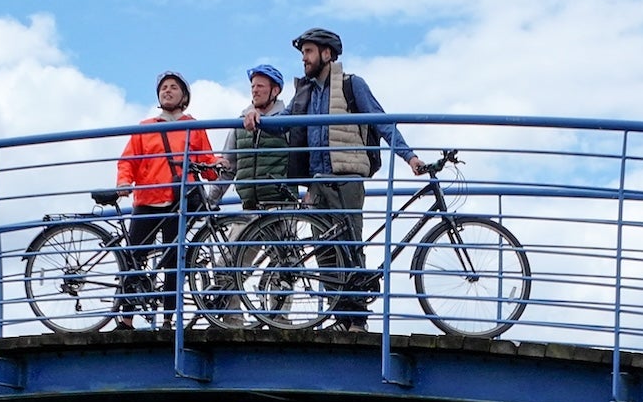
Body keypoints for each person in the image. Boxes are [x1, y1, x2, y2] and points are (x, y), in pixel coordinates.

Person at [242, 28, 421, 330]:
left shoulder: (352, 85)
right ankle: (339, 318)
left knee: (350, 249)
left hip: (347, 178)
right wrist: (258, 119)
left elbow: (381, 121)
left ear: (327, 54)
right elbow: (284, 123)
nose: (304, 59)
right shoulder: (305, 92)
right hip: (317, 182)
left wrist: (410, 156)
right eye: (303, 54)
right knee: (325, 252)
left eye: (309, 52)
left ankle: (357, 321)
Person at [113, 71, 220, 330]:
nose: (167, 91)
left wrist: (216, 165)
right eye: (164, 88)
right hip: (148, 199)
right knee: (134, 257)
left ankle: (168, 319)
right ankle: (126, 317)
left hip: (178, 201)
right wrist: (124, 182)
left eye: (173, 87)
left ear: (184, 96)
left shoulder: (193, 126)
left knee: (174, 260)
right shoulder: (145, 127)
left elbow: (206, 161)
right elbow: (129, 160)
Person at [222, 64, 298, 211]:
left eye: (260, 86)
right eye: (253, 86)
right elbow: (228, 167)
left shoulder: (288, 123)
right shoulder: (240, 124)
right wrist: (210, 201)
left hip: (281, 206)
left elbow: (303, 159)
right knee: (236, 235)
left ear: (275, 91)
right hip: (249, 207)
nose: (255, 91)